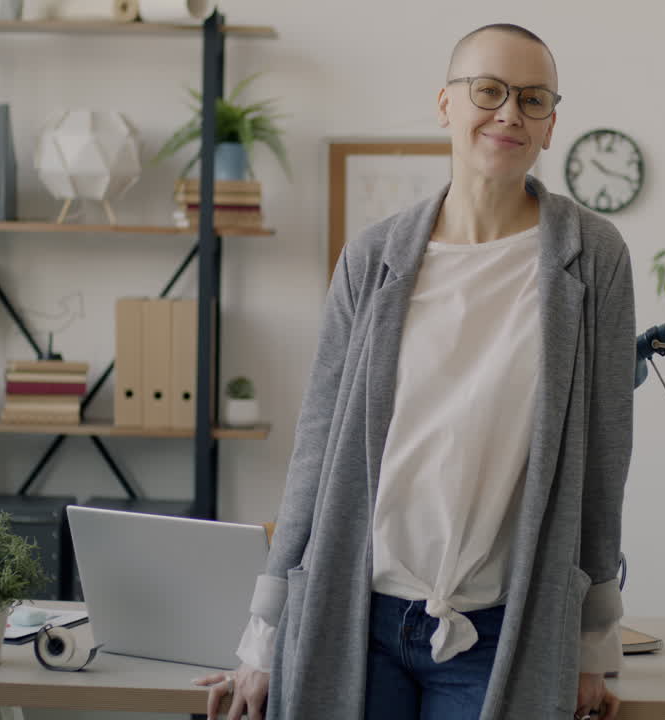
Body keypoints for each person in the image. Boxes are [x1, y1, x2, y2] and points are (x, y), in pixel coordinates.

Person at [194, 21, 635, 720]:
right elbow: (316, 450)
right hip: (356, 616)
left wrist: (591, 646)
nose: (508, 113)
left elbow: (604, 462)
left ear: (551, 124)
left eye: (533, 99)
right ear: (445, 104)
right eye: (488, 90)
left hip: (501, 631)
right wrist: (264, 637)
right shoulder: (373, 258)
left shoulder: (593, 256)